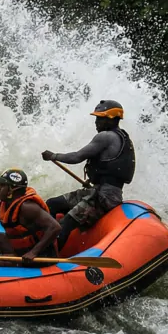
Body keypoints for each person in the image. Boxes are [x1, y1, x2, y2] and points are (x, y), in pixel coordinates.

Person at [40, 99, 136, 241]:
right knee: (52, 204)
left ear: (110, 119)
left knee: (65, 225)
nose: (96, 122)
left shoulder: (106, 136)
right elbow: (108, 168)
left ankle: (49, 254)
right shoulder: (122, 137)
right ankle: (44, 241)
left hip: (105, 197)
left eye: (99, 118)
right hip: (98, 191)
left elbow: (77, 157)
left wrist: (53, 156)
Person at [0, 168, 62, 264]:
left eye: (2, 186)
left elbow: (55, 227)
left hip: (39, 256)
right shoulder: (5, 204)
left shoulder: (28, 207)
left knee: (0, 262)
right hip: (20, 249)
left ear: (11, 190)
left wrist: (33, 252)